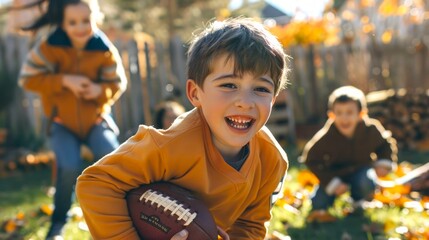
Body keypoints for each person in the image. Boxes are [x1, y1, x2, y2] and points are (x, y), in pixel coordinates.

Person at [76, 17, 290, 240]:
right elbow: (96, 184)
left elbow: (251, 224)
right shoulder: (170, 145)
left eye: (261, 89)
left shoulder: (272, 159)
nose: (245, 102)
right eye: (229, 85)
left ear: (273, 99)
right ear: (195, 93)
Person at [18, 0, 127, 239]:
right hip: (61, 123)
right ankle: (58, 223)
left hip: (96, 120)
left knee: (113, 158)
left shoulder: (103, 48)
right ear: (62, 24)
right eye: (72, 22)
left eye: (85, 21)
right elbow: (28, 78)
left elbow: (117, 83)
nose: (80, 28)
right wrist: (64, 81)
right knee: (68, 166)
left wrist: (99, 91)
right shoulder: (50, 47)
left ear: (95, 18)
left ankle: (118, 219)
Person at [301, 86, 398, 222]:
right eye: (339, 113)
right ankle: (319, 201)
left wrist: (384, 162)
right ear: (331, 115)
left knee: (366, 181)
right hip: (335, 175)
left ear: (361, 114)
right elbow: (310, 159)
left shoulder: (370, 129)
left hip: (360, 170)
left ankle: (358, 200)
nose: (344, 118)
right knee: (319, 203)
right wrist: (331, 182)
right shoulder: (327, 136)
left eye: (349, 113)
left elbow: (384, 144)